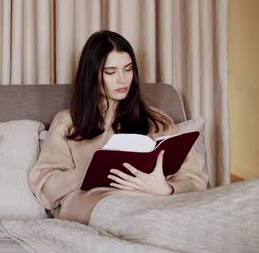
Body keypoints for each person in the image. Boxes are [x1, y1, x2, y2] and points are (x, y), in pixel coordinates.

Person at [29, 30, 206, 224]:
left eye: (128, 69)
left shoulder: (157, 120)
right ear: (92, 75)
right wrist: (89, 170)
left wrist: (166, 189)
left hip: (152, 203)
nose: (122, 80)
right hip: (98, 205)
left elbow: (195, 180)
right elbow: (46, 189)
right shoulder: (68, 123)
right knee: (129, 213)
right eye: (110, 72)